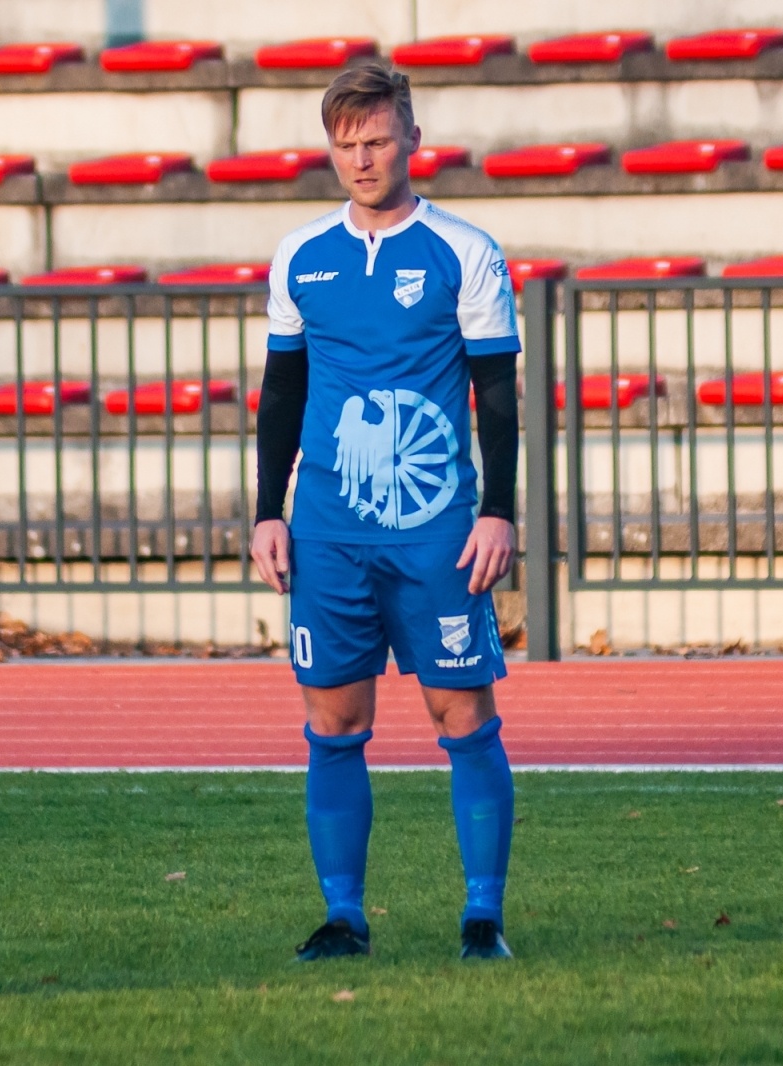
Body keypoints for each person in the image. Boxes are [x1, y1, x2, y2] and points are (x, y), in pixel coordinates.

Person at [250, 65, 522, 962]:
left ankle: (482, 917)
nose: (361, 159)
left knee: (462, 715)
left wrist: (499, 511)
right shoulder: (300, 256)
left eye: (375, 139)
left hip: (437, 530)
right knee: (332, 723)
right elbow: (282, 390)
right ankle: (344, 918)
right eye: (345, 144)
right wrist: (268, 511)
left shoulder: (465, 251)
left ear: (411, 135)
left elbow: (496, 391)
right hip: (327, 528)